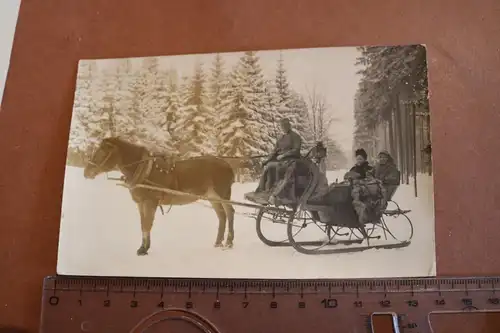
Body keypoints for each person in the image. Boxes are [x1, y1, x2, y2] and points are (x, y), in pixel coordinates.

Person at [256, 118, 302, 192]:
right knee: (267, 166)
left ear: (289, 126)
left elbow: (296, 150)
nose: (283, 128)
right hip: (280, 160)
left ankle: (276, 190)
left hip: (291, 160)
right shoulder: (281, 138)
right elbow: (275, 151)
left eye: (285, 125)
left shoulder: (295, 136)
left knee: (277, 167)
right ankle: (263, 189)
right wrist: (267, 160)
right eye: (282, 126)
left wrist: (284, 155)